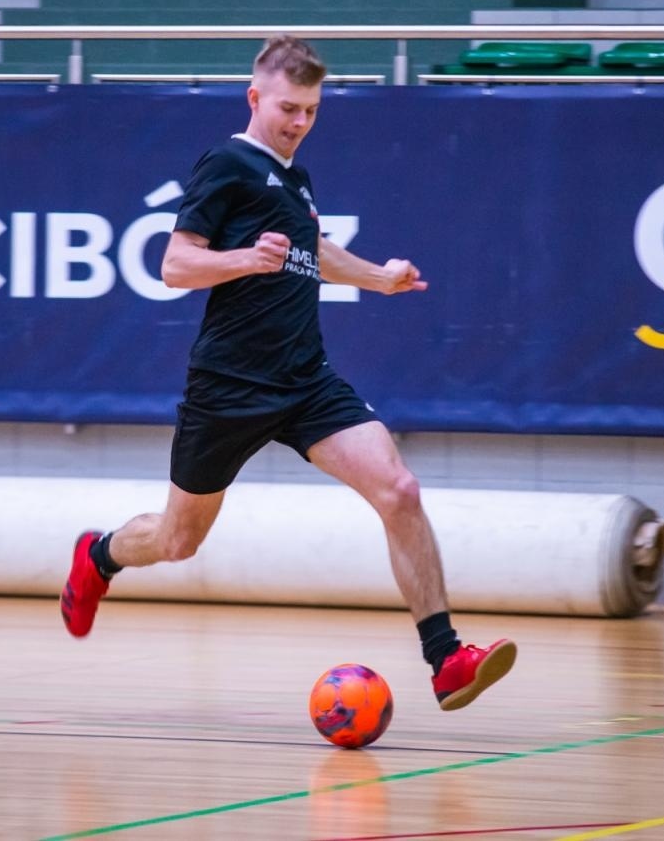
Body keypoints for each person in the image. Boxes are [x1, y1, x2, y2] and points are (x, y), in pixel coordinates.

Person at [61, 35, 516, 710]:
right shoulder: (228, 163)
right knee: (177, 540)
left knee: (400, 489)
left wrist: (379, 279)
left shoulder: (295, 178)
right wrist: (243, 260)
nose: (299, 122)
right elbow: (174, 265)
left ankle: (445, 659)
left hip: (306, 381)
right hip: (229, 387)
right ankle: (98, 557)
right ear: (255, 98)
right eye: (288, 108)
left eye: (310, 110)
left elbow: (313, 250)